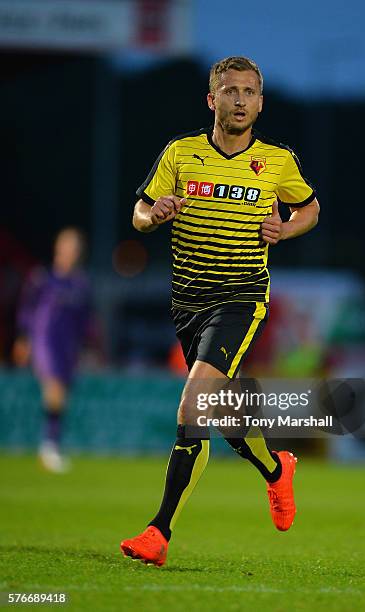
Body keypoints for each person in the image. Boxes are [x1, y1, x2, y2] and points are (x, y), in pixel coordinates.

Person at [121, 57, 320, 566]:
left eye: (250, 92)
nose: (240, 100)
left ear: (260, 102)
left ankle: (158, 532)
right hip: (187, 302)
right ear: (213, 100)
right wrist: (154, 214)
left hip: (241, 297)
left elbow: (309, 207)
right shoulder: (180, 153)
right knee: (222, 412)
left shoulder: (277, 160)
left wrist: (286, 229)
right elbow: (141, 211)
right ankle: (277, 470)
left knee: (191, 408)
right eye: (230, 91)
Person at [14, 227, 91, 472]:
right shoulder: (43, 278)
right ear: (58, 247)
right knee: (54, 389)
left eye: (75, 247)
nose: (71, 251)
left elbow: (86, 320)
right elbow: (27, 308)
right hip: (44, 339)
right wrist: (23, 338)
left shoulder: (81, 285)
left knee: (61, 395)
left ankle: (52, 443)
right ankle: (49, 447)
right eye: (67, 245)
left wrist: (87, 346)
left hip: (68, 345)